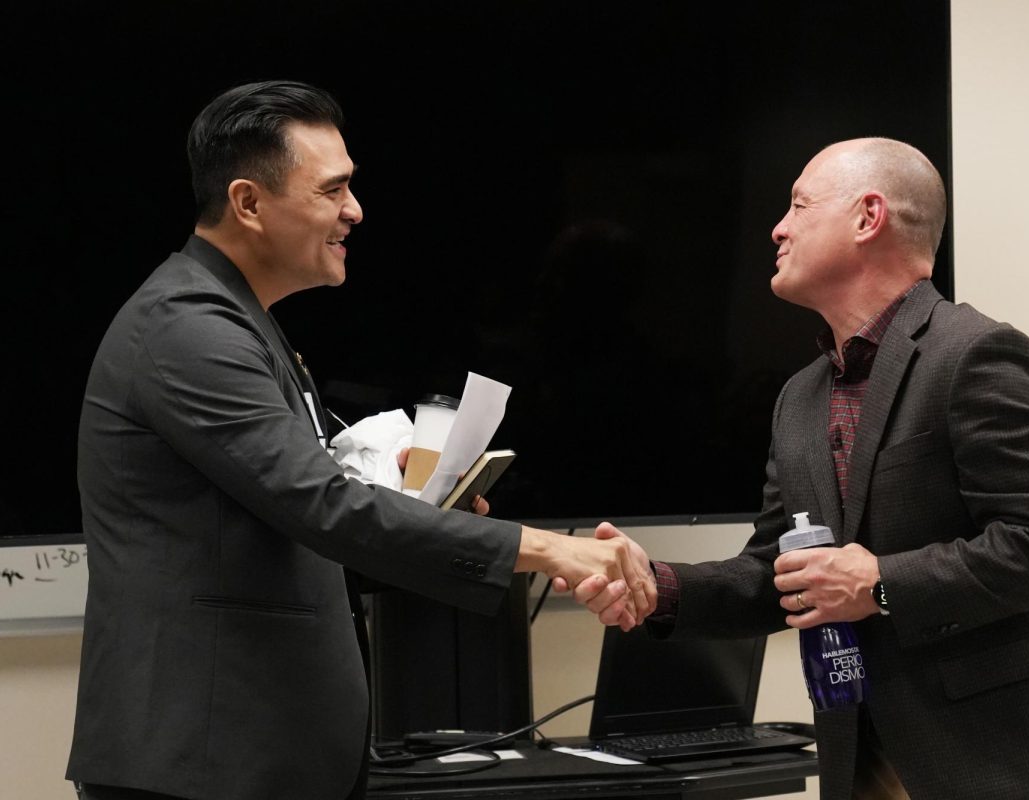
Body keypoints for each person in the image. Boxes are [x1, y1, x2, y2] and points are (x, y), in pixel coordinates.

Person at [66, 80, 653, 800]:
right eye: (332, 190)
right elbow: (325, 508)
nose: (355, 211)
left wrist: (423, 509)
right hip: (203, 764)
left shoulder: (238, 321)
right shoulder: (188, 328)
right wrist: (551, 548)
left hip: (251, 760)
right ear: (248, 203)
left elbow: (289, 524)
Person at [569, 138, 1029, 799]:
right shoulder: (800, 395)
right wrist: (657, 587)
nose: (778, 228)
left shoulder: (977, 353)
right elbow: (778, 573)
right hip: (859, 757)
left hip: (1002, 763)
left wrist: (881, 583)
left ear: (869, 217)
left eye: (799, 204)